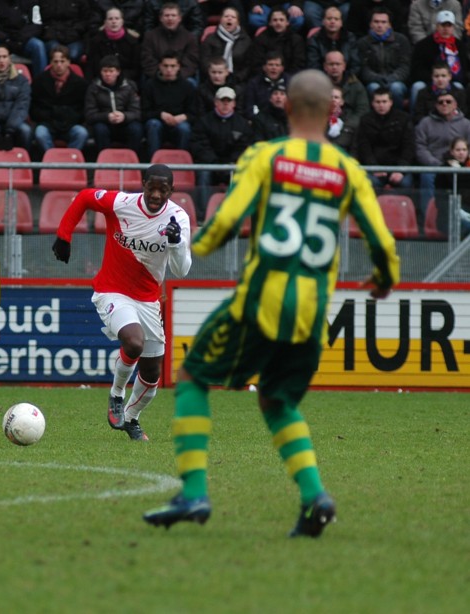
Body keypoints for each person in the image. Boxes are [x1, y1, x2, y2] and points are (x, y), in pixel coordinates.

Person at [142, 69, 400, 537]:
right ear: (333, 110)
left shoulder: (267, 156)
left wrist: (192, 248)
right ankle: (314, 496)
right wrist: (384, 280)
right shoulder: (348, 171)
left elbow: (227, 221)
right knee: (279, 402)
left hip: (260, 299)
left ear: (285, 107)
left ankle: (194, 491)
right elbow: (382, 243)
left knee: (194, 375)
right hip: (311, 314)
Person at [52, 164, 192, 441]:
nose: (155, 194)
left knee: (152, 379)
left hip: (148, 300)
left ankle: (131, 418)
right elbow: (84, 197)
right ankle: (116, 393)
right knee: (134, 342)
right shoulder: (122, 203)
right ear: (142, 183)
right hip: (111, 291)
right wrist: (64, 235)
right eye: (150, 187)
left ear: (171, 191)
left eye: (162, 190)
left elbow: (181, 270)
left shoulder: (179, 218)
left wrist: (176, 244)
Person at [190, 86, 253, 216]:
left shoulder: (242, 124)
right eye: (222, 100)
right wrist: (215, 163)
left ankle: (238, 214)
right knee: (203, 174)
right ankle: (203, 215)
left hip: (232, 165)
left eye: (228, 101)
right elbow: (199, 145)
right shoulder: (204, 122)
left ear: (234, 103)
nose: (225, 104)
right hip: (210, 164)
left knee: (242, 174)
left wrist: (231, 163)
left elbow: (244, 147)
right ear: (215, 102)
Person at [414, 90, 470, 229]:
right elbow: (420, 146)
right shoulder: (425, 123)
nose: (444, 104)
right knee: (427, 176)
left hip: (462, 166)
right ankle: (427, 219)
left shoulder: (466, 124)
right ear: (436, 105)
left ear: (455, 104)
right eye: (440, 102)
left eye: (448, 101)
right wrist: (438, 165)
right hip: (434, 165)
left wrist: (463, 163)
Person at [409, 10, 470, 116]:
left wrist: (448, 79)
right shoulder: (423, 45)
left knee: (459, 86)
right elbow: (416, 69)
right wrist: (436, 78)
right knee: (417, 87)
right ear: (437, 26)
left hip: (452, 81)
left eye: (449, 25)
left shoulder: (460, 46)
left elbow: (465, 68)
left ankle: (460, 118)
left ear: (453, 27)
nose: (446, 29)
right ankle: (415, 118)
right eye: (443, 25)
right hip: (429, 81)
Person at [30, 46, 89, 155]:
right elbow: (33, 107)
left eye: (62, 61)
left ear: (68, 62)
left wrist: (67, 116)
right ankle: (51, 161)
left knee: (81, 133)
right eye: (56, 61)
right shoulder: (39, 81)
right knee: (40, 134)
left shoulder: (81, 84)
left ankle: (69, 162)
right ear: (50, 63)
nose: (59, 65)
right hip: (48, 123)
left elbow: (83, 110)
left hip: (70, 124)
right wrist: (49, 116)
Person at [356, 87, 416, 192]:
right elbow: (364, 147)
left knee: (405, 183)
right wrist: (374, 168)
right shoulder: (365, 120)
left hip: (398, 167)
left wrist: (400, 170)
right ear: (372, 103)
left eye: (384, 101)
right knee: (370, 182)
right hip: (374, 168)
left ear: (391, 102)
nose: (381, 105)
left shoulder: (404, 118)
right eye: (378, 102)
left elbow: (409, 147)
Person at [84, 55, 144, 158]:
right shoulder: (93, 88)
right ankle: (104, 161)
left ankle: (132, 160)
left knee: (136, 128)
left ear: (118, 72)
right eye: (105, 71)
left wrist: (124, 116)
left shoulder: (129, 87)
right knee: (99, 128)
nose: (108, 74)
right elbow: (89, 114)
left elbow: (137, 112)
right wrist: (107, 116)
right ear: (100, 72)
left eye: (111, 71)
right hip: (105, 124)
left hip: (124, 124)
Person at [141, 52, 196, 161]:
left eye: (173, 66)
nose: (169, 70)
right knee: (153, 125)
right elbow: (144, 113)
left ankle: (182, 164)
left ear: (178, 67)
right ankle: (153, 164)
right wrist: (160, 114)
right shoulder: (150, 85)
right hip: (158, 122)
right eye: (165, 66)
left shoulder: (187, 86)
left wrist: (183, 117)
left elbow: (195, 113)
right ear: (160, 66)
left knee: (184, 128)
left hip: (179, 122)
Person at [356, 7, 411, 110]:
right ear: (370, 24)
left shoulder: (401, 40)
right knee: (373, 88)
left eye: (383, 22)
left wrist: (391, 79)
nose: (379, 25)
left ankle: (397, 118)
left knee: (396, 88)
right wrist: (378, 79)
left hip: (396, 81)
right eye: (376, 22)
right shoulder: (362, 43)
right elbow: (363, 68)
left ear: (389, 24)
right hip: (373, 81)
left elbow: (405, 66)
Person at [0, 0, 47, 77]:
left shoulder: (32, 2)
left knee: (38, 45)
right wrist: (4, 37)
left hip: (23, 40)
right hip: (0, 39)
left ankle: (40, 82)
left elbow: (37, 24)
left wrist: (21, 38)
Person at [140, 2, 201, 87]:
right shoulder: (150, 37)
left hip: (182, 77)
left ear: (179, 18)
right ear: (160, 18)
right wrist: (162, 74)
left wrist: (176, 75)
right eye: (167, 15)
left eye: (173, 15)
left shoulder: (189, 38)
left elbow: (191, 62)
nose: (170, 18)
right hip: (157, 76)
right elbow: (147, 61)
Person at [84, 6, 142, 84]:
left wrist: (117, 77)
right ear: (105, 22)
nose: (113, 21)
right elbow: (92, 66)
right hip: (102, 79)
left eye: (117, 18)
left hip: (126, 80)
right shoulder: (96, 41)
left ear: (122, 21)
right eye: (110, 19)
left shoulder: (132, 42)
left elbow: (135, 69)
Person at [198, 6, 252, 85]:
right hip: (212, 80)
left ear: (238, 22)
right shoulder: (210, 39)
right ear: (220, 20)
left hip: (238, 81)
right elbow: (204, 61)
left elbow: (248, 65)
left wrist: (237, 78)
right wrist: (215, 75)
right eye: (226, 16)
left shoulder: (246, 41)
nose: (229, 19)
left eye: (233, 17)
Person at [250, 7, 306, 77]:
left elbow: (298, 65)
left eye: (281, 20)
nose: (278, 23)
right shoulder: (261, 39)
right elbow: (256, 64)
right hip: (264, 79)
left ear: (287, 22)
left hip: (290, 79)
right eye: (275, 20)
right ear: (270, 23)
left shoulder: (296, 40)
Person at [306, 5, 361, 73]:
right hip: (322, 80)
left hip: (347, 80)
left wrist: (342, 79)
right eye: (329, 18)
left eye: (336, 19)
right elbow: (313, 66)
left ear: (341, 23)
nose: (332, 22)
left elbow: (355, 65)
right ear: (323, 22)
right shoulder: (315, 39)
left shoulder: (350, 38)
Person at [434, 136, 470, 237]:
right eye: (458, 150)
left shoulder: (468, 168)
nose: (461, 153)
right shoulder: (444, 170)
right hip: (449, 217)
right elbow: (440, 200)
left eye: (464, 149)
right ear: (452, 151)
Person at [412, 61, 468, 125]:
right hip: (430, 128)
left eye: (443, 76)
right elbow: (418, 116)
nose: (440, 79)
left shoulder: (459, 93)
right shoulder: (423, 93)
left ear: (450, 77)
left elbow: (463, 114)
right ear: (432, 77)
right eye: (436, 76)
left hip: (454, 128)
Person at [243, 51, 288, 119]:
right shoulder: (254, 84)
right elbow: (249, 108)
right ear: (264, 67)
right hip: (261, 123)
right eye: (270, 65)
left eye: (277, 65)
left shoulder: (291, 82)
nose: (274, 68)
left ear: (282, 68)